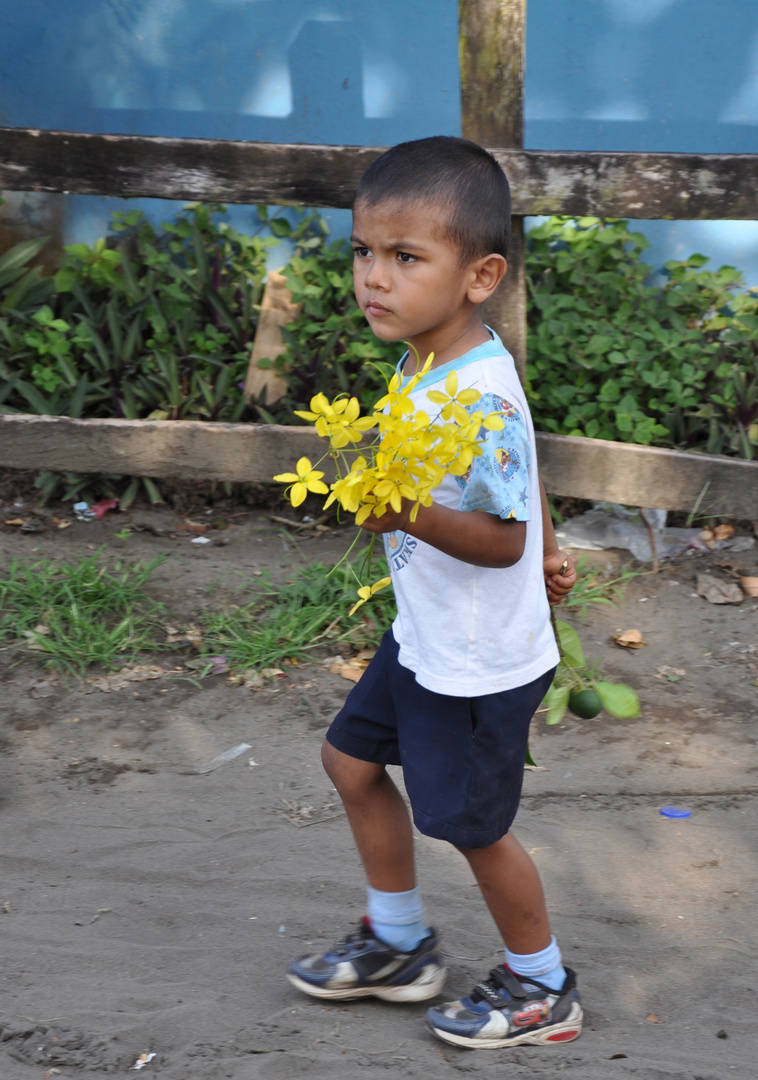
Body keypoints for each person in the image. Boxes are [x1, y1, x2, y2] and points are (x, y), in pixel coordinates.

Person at [287, 135, 581, 1051]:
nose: (375, 277)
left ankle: (542, 987)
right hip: (428, 635)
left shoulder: (477, 392)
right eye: (365, 253)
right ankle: (400, 942)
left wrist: (406, 512)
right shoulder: (433, 356)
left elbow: (496, 540)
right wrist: (552, 542)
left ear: (480, 274)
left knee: (471, 826)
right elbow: (524, 481)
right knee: (351, 764)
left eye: (406, 257)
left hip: (474, 661)